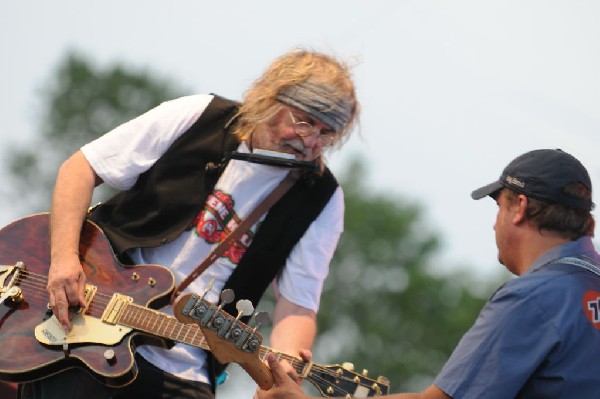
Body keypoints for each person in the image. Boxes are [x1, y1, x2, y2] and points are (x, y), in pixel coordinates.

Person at [18, 49, 359, 399]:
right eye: (303, 121)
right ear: (272, 99)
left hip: (188, 370)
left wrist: (282, 366)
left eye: (326, 132)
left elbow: (298, 305)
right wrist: (62, 260)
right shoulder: (199, 115)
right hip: (86, 326)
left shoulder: (322, 197)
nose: (310, 141)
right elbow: (81, 169)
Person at [257, 148, 600, 399]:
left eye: (499, 206)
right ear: (589, 224)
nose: (494, 222)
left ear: (520, 208)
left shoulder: (533, 298)